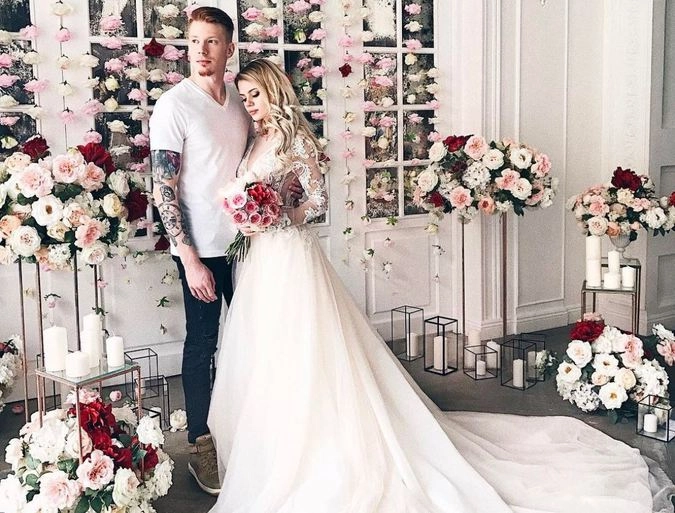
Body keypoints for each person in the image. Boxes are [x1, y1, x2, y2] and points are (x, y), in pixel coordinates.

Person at [206, 58, 674, 513]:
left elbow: (318, 201)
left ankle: (319, 446)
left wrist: (278, 215)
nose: (250, 104)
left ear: (275, 92)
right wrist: (250, 217)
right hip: (262, 261)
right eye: (243, 98)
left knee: (306, 348)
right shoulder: (253, 140)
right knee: (268, 350)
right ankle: (272, 448)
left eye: (256, 95)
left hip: (291, 255)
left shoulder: (294, 142)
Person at [149, 6, 251, 496]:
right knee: (202, 343)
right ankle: (200, 442)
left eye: (212, 41)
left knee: (253, 339)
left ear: (229, 48)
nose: (201, 51)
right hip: (200, 250)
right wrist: (188, 258)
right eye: (194, 41)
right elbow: (163, 187)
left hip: (247, 245)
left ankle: (249, 431)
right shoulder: (174, 106)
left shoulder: (240, 102)